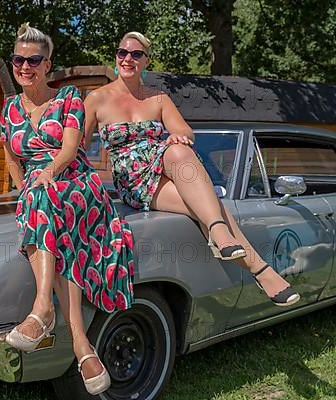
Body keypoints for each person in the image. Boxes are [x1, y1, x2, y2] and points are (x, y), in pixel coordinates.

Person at [84, 31, 299, 307]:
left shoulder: (158, 98)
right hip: (134, 182)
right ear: (116, 57)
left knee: (179, 150)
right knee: (210, 204)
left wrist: (178, 136)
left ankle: (234, 246)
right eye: (123, 52)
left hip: (164, 163)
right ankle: (254, 263)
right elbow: (77, 145)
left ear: (146, 61)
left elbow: (184, 130)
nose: (128, 59)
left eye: (136, 54)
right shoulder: (96, 99)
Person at [0, 23, 135, 395]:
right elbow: (11, 156)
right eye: (18, 59)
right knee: (47, 210)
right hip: (38, 187)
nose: (25, 66)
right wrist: (21, 188)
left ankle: (43, 308)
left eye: (34, 60)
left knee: (46, 201)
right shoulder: (9, 108)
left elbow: (70, 150)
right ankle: (81, 344)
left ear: (47, 64)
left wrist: (47, 174)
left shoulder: (70, 97)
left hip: (75, 180)